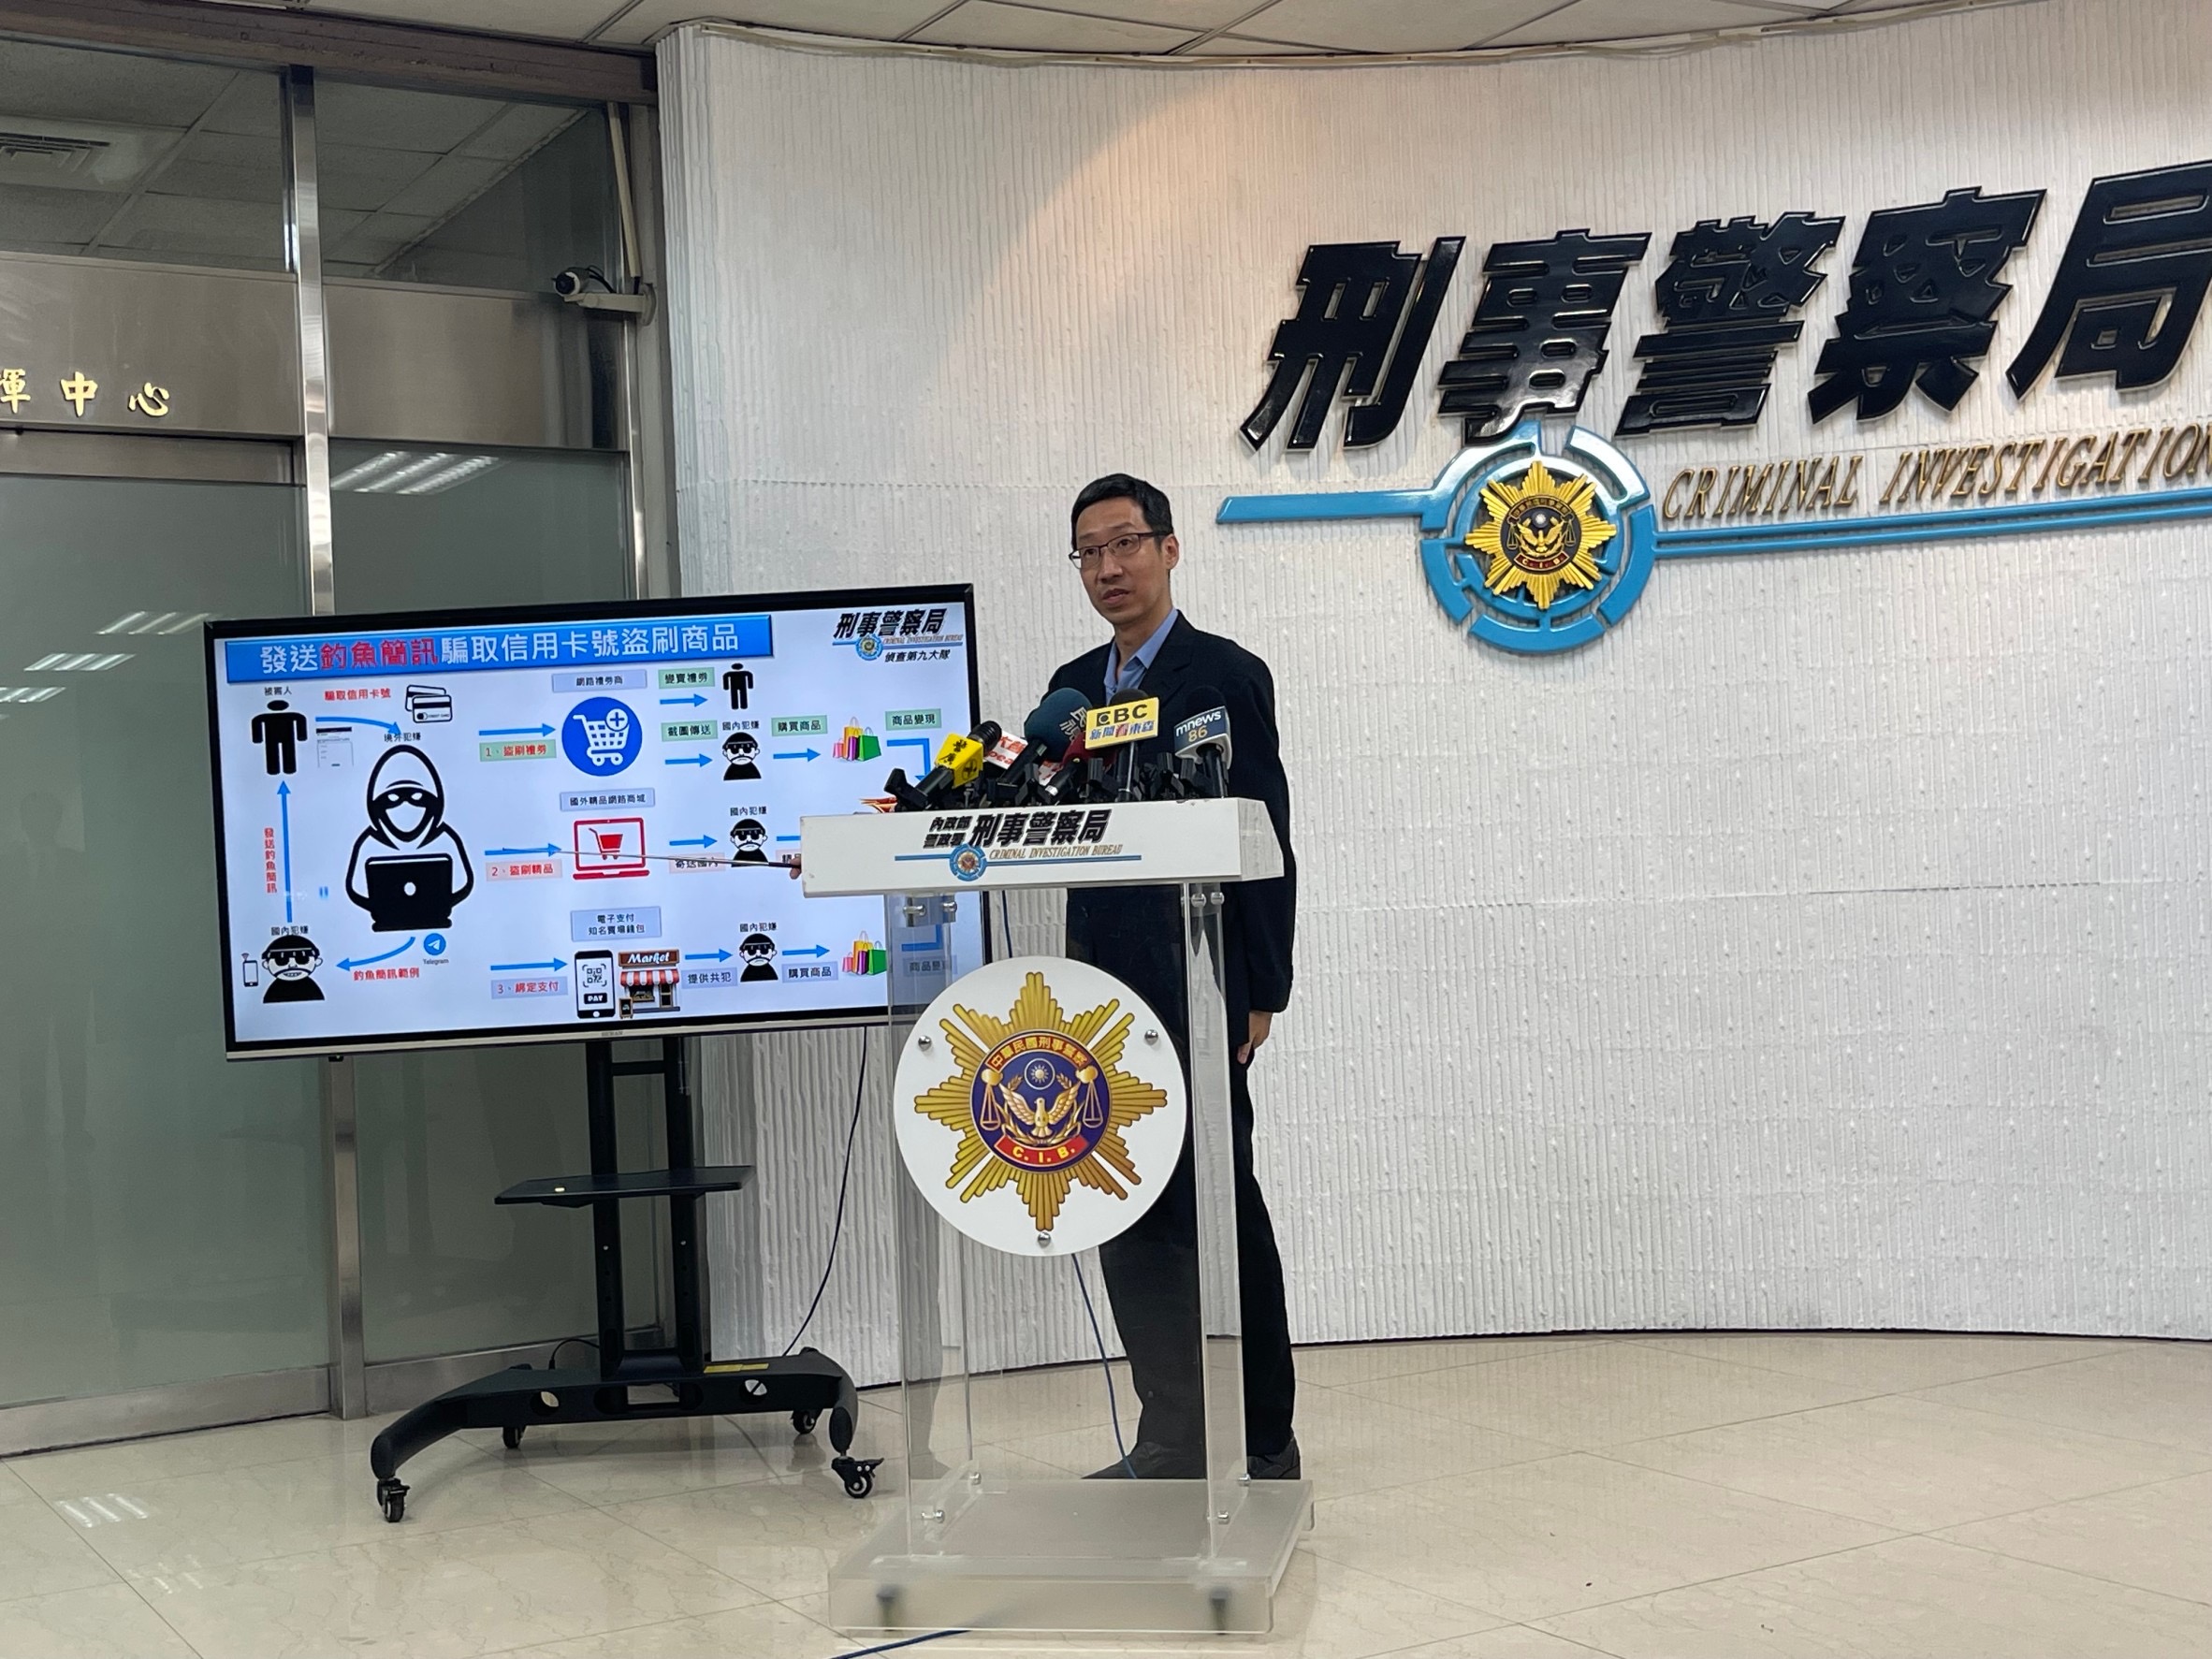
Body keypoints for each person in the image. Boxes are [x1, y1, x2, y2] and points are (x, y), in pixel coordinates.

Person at [1047, 473, 1300, 1481]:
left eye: (1125, 544)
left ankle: (1262, 1438)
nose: (1108, 568)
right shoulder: (1073, 687)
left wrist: (1263, 986)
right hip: (1101, 993)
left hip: (1197, 979)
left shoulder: (1222, 675)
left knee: (1217, 1207)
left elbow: (1266, 834)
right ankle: (1171, 1433)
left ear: (1168, 549)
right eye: (1089, 552)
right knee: (1127, 1208)